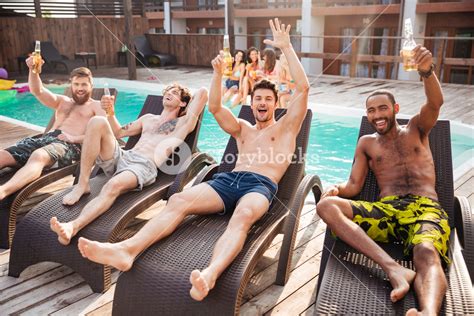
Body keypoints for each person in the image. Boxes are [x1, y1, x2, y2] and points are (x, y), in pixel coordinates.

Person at [76, 18, 309, 302]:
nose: (261, 103)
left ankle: (210, 274)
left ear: (276, 104)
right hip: (226, 182)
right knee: (178, 201)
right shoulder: (242, 129)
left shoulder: (286, 128)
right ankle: (127, 250)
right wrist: (217, 74)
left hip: (259, 186)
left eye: (267, 99)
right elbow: (214, 107)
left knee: (243, 216)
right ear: (251, 103)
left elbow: (304, 89)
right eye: (257, 98)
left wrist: (286, 48)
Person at [317, 45, 447, 316]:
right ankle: (394, 269)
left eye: (383, 108)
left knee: (425, 251)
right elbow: (353, 186)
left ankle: (429, 314)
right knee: (326, 206)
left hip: (425, 209)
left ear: (395, 108)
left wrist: (427, 72)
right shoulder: (367, 144)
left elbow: (435, 103)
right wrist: (335, 189)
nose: (377, 115)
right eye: (372, 111)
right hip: (387, 212)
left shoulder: (416, 128)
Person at [50, 83, 208, 245]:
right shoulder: (147, 119)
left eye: (175, 93)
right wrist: (110, 113)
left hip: (143, 166)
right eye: (168, 91)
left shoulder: (182, 124)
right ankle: (83, 184)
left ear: (183, 103)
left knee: (112, 185)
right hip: (124, 156)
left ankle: (73, 226)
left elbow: (202, 91)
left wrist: (187, 99)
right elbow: (119, 133)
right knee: (98, 121)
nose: (169, 93)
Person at [0, 58, 105, 202]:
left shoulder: (97, 106)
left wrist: (73, 138)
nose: (80, 88)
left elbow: (102, 135)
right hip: (44, 139)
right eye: (76, 84)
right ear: (71, 85)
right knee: (2, 155)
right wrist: (33, 70)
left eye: (84, 84)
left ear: (91, 85)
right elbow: (38, 91)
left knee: (39, 156)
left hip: (69, 145)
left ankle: (2, 191)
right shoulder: (63, 101)